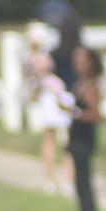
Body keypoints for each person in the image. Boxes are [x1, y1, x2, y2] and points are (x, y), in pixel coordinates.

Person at [63, 47, 103, 211]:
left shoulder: (91, 87)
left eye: (83, 61)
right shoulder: (80, 85)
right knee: (78, 184)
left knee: (85, 184)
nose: (79, 66)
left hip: (84, 142)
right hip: (76, 140)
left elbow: (96, 115)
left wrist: (75, 112)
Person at [28, 50, 74, 195]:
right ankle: (54, 180)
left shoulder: (56, 58)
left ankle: (64, 180)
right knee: (56, 140)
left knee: (64, 142)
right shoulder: (40, 74)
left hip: (59, 100)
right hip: (53, 101)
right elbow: (33, 94)